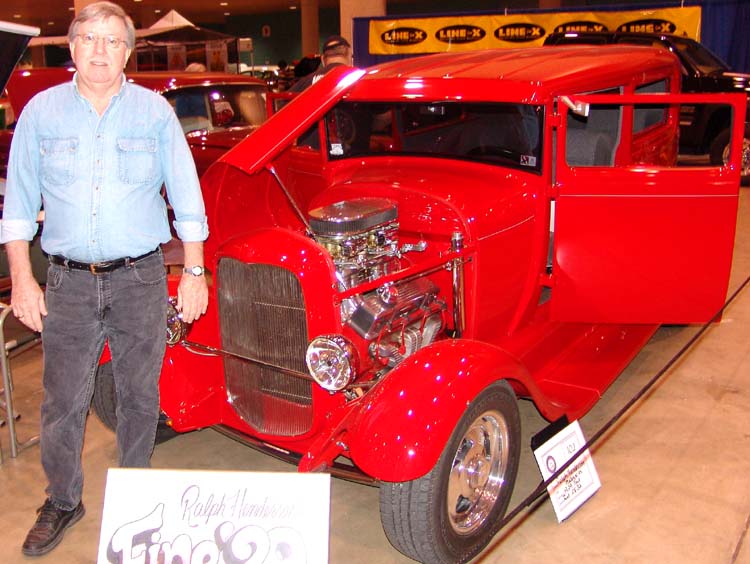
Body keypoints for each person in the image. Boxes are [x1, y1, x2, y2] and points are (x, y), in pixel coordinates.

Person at [0, 1, 208, 557]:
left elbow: (186, 196)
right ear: (71, 47)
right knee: (62, 400)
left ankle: (135, 493)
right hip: (66, 282)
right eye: (89, 38)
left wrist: (194, 271)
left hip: (139, 279)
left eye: (113, 41)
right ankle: (63, 500)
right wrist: (23, 280)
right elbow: (17, 207)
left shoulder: (155, 114)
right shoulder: (41, 115)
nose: (99, 50)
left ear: (128, 53)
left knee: (140, 396)